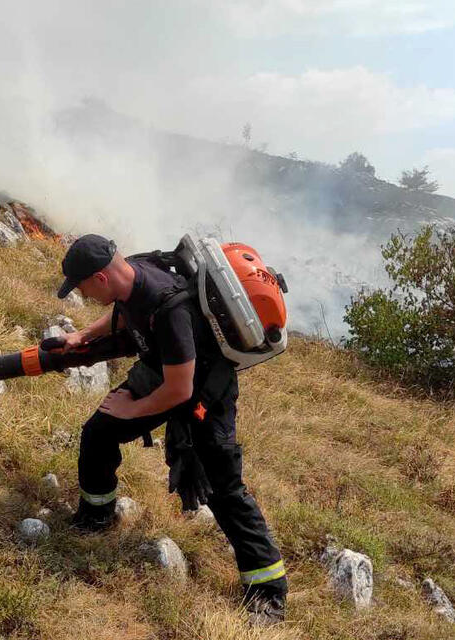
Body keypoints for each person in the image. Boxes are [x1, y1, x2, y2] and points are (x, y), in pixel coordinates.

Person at [55, 233, 288, 625]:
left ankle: (268, 592)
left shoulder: (170, 308)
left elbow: (180, 390)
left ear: (101, 277)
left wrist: (133, 410)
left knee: (222, 487)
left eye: (81, 286)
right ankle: (96, 517)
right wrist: (84, 336)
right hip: (164, 369)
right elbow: (122, 314)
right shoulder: (132, 274)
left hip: (203, 391)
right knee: (98, 433)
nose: (82, 293)